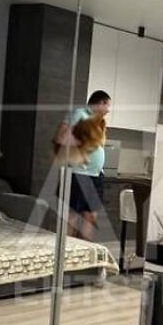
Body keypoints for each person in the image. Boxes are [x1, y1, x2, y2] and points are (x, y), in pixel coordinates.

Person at [56, 89, 111, 238]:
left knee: (90, 215)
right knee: (72, 215)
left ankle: (84, 249)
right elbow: (62, 138)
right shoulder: (79, 114)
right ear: (101, 103)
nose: (108, 110)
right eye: (107, 105)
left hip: (96, 175)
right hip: (79, 173)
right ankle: (67, 248)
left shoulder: (99, 122)